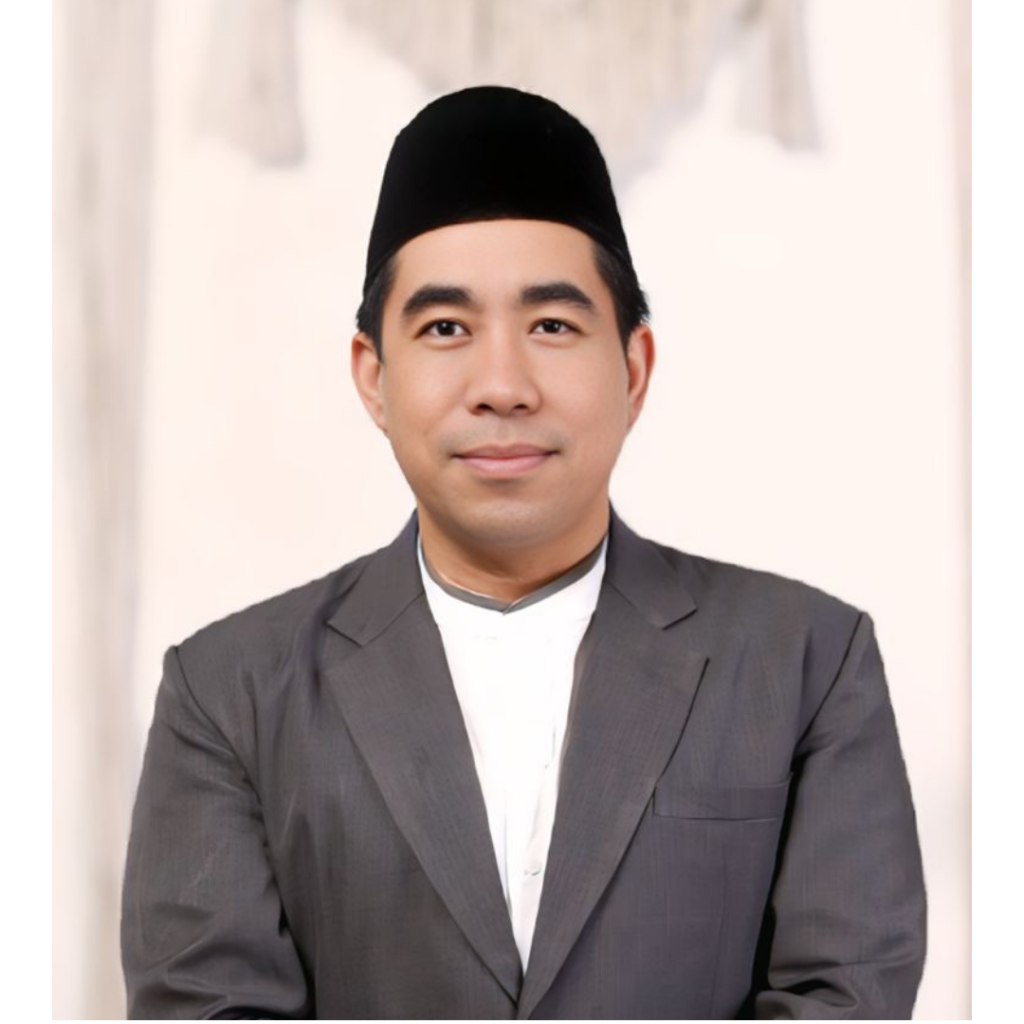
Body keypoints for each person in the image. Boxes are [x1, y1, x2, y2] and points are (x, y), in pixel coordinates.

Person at [121, 85, 927, 1019]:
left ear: (633, 369)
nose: (502, 385)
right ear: (374, 378)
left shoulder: (807, 662)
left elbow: (846, 997)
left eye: (551, 325)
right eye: (446, 329)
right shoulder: (230, 694)